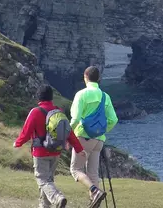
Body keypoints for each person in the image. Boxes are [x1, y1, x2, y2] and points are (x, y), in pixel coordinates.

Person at [14, 85, 97, 208]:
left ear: (39, 97)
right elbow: (69, 133)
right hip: (55, 152)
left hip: (40, 153)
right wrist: (79, 148)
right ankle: (44, 206)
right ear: (51, 97)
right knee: (48, 181)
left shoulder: (35, 112)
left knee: (42, 180)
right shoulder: (59, 111)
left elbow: (26, 132)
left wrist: (17, 143)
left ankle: (58, 198)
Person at [70, 66, 119, 208]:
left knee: (76, 170)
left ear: (85, 77)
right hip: (99, 140)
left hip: (83, 138)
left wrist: (68, 133)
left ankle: (94, 191)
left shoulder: (81, 94)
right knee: (93, 173)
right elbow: (113, 119)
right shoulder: (105, 96)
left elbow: (75, 118)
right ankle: (95, 202)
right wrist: (102, 131)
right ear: (98, 79)